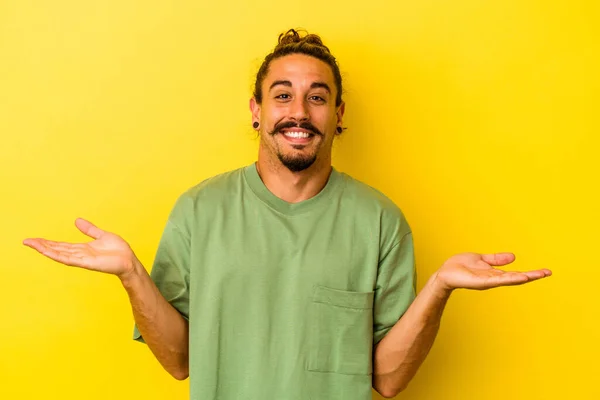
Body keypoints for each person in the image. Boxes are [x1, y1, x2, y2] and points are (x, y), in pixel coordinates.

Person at [23, 29, 551, 400]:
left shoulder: (381, 221)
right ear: (257, 110)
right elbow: (179, 362)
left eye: (317, 97)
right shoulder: (199, 210)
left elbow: (388, 381)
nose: (299, 112)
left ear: (338, 114)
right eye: (283, 96)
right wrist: (131, 275)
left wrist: (439, 288)